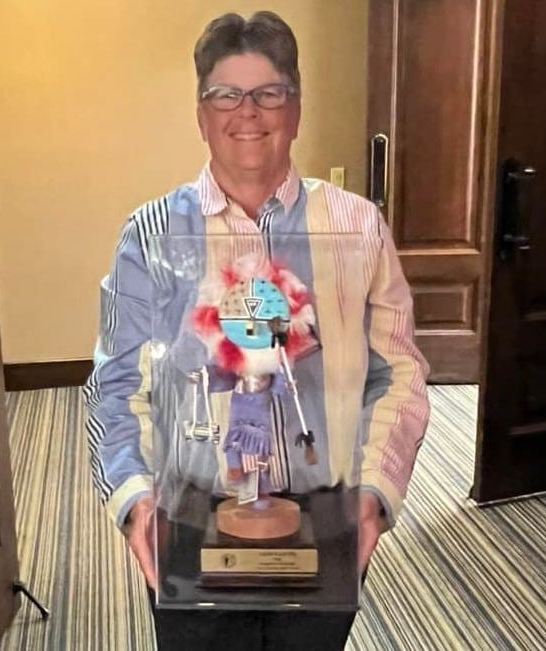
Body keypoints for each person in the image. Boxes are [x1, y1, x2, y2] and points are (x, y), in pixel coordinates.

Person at [84, 11, 430, 651]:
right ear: (201, 112)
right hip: (192, 519)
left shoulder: (357, 227)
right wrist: (136, 502)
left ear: (296, 108)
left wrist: (374, 494)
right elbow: (115, 384)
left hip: (325, 515)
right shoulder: (150, 236)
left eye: (269, 92)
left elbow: (398, 371)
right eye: (226, 94)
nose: (247, 111)